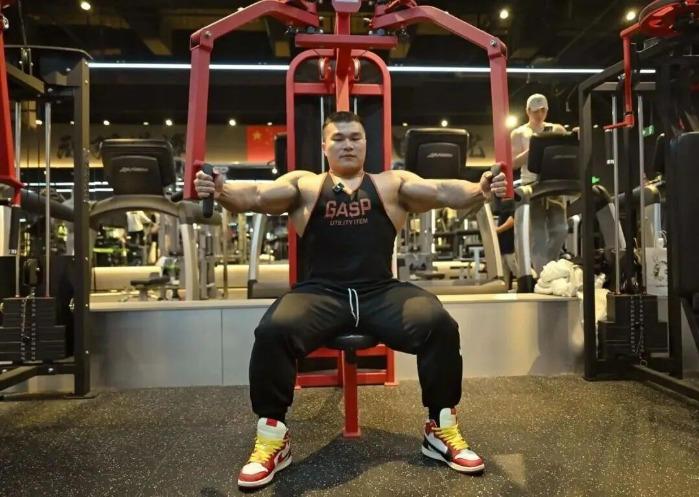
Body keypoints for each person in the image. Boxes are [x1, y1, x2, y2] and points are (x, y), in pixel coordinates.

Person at [195, 111, 508, 489]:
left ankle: (440, 427)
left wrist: (480, 189)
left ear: (365, 143)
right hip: (321, 293)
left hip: (380, 292)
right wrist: (221, 190)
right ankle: (273, 435)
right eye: (338, 138)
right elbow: (257, 196)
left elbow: (442, 191)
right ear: (324, 146)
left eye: (355, 137)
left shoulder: (391, 184)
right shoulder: (305, 185)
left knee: (438, 325)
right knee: (273, 331)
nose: (347, 144)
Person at [511, 93, 568, 273]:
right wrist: (533, 150)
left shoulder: (556, 129)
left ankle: (548, 269)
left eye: (543, 110)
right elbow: (513, 163)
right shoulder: (519, 133)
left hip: (553, 183)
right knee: (538, 235)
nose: (539, 114)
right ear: (528, 111)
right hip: (532, 185)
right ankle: (543, 272)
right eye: (535, 111)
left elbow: (566, 151)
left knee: (561, 229)